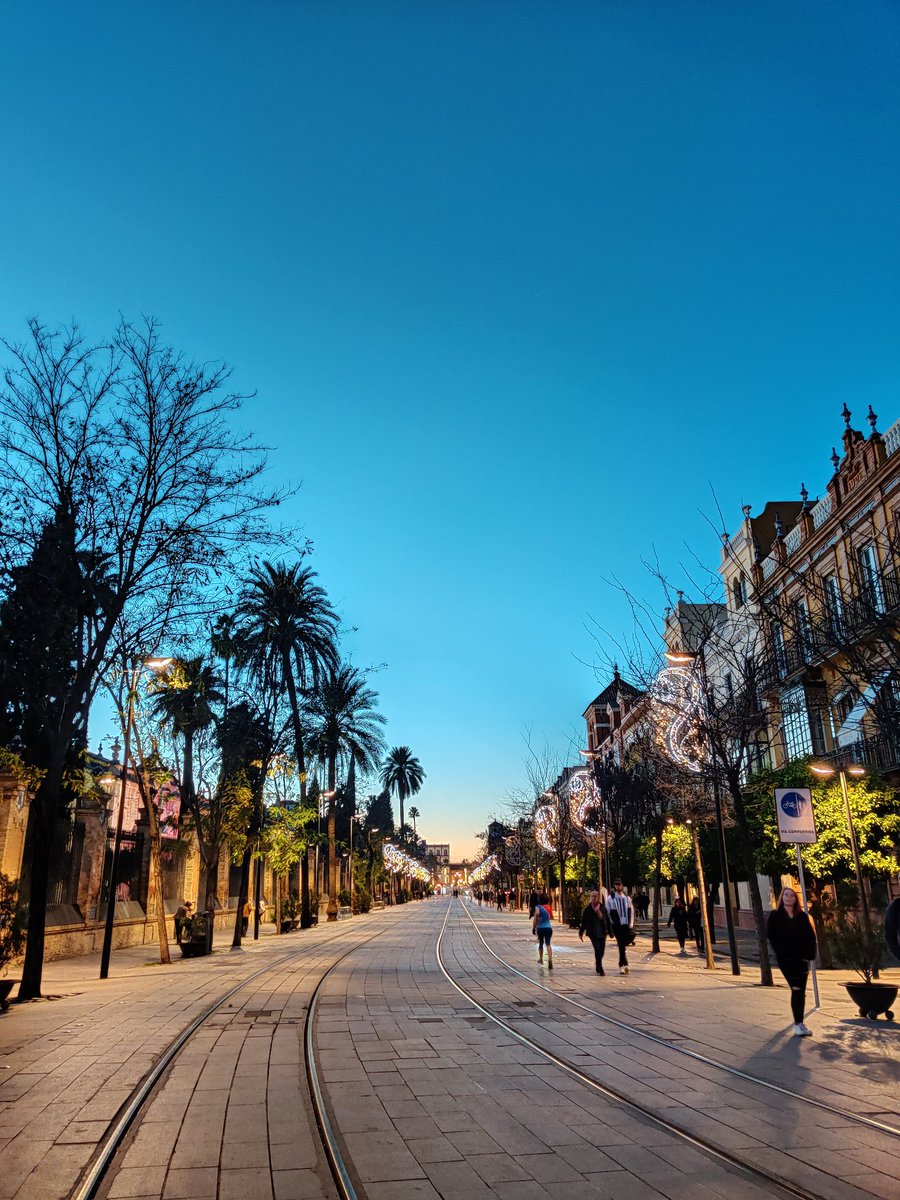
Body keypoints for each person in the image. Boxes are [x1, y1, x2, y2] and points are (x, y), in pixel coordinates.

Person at [767, 886, 817, 1037]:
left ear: (796, 899)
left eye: (792, 896)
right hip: (786, 959)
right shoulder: (775, 916)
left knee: (800, 991)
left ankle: (799, 1024)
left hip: (801, 959)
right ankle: (798, 1024)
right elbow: (772, 936)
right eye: (786, 895)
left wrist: (810, 955)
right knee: (796, 988)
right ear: (782, 898)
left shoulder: (801, 916)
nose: (789, 898)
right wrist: (780, 953)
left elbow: (810, 936)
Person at [606, 880, 635, 974]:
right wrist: (611, 923)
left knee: (623, 944)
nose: (618, 887)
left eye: (619, 885)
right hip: (617, 925)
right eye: (616, 885)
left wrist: (631, 923)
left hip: (626, 925)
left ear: (622, 886)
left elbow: (631, 911)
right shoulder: (611, 898)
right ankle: (622, 965)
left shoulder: (627, 898)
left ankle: (624, 964)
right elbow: (608, 912)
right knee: (621, 944)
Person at [579, 890, 610, 975]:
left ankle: (598, 964)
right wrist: (581, 933)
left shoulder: (603, 908)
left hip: (602, 932)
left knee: (602, 951)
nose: (594, 898)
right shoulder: (588, 909)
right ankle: (600, 968)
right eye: (592, 896)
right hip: (592, 933)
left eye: (595, 896)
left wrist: (610, 932)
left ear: (598, 897)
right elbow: (584, 922)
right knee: (597, 949)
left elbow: (607, 920)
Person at [532, 892, 554, 970]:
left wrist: (534, 927)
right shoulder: (549, 907)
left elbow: (536, 916)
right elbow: (551, 917)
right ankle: (550, 960)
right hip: (548, 928)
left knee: (541, 943)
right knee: (548, 944)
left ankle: (541, 959)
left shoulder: (538, 907)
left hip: (540, 928)